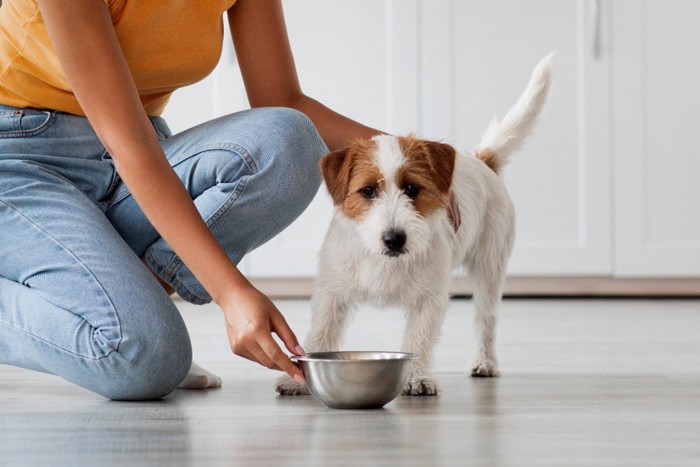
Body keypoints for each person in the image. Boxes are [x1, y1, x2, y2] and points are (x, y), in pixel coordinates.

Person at [0, 0, 380, 400]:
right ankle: (133, 321)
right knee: (145, 358)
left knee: (291, 142)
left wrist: (423, 160)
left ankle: (133, 306)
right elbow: (129, 144)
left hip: (135, 149)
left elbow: (282, 99)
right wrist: (231, 293)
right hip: (22, 162)